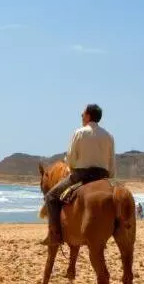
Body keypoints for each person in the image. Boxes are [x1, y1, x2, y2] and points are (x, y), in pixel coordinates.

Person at [41, 104, 115, 246]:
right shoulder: (108, 136)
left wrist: (72, 168)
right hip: (103, 176)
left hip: (82, 174)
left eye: (83, 113)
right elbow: (112, 161)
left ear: (88, 116)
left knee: (50, 197)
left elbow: (70, 159)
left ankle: (55, 235)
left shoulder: (79, 132)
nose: (81, 115)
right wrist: (109, 176)